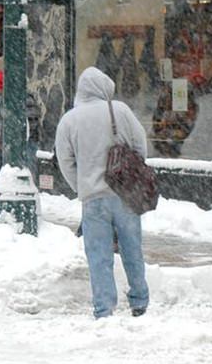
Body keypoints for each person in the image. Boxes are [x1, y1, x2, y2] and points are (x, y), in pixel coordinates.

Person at [54, 66, 150, 319]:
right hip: (125, 194)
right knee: (132, 248)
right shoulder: (120, 110)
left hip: (93, 199)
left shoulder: (70, 120)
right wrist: (131, 178)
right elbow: (140, 145)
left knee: (98, 255)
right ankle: (139, 299)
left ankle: (104, 308)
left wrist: (81, 186)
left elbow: (65, 161)